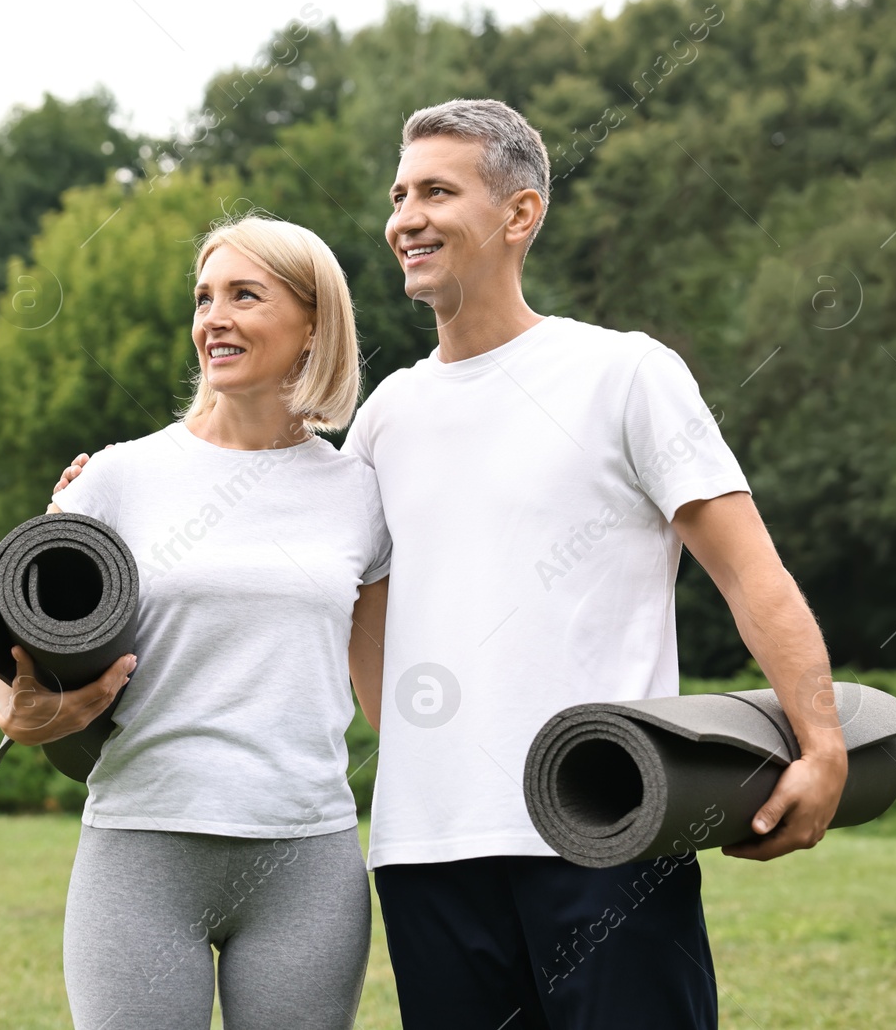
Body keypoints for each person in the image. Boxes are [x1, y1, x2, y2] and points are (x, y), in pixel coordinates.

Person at [60, 100, 849, 1029]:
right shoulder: (387, 418)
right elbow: (316, 578)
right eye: (399, 196)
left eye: (438, 190)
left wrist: (822, 740)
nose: (405, 218)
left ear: (520, 214)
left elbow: (752, 573)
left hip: (606, 834)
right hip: (426, 857)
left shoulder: (625, 373)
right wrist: (101, 499)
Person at [0, 215, 391, 1030]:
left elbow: (382, 693)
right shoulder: (118, 477)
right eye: (203, 298)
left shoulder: (360, 494)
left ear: (312, 324)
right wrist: (11, 712)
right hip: (141, 846)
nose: (213, 318)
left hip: (306, 853)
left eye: (243, 295)